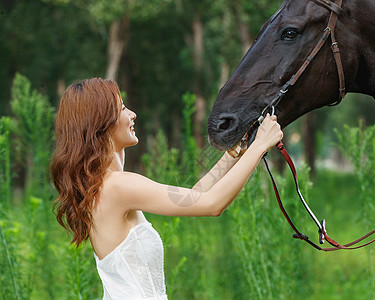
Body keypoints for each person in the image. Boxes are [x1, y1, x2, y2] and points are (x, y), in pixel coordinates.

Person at [51, 78, 283, 300]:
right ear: (101, 122)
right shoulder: (118, 186)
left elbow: (194, 197)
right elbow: (212, 204)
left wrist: (236, 152)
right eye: (122, 109)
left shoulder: (102, 187)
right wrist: (260, 145)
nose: (132, 114)